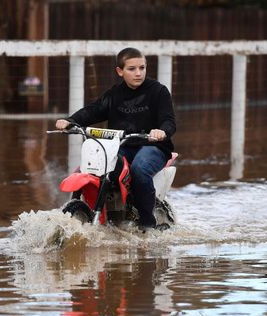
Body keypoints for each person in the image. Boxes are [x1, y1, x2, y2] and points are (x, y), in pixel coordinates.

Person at [55, 47, 176, 230]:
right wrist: (70, 121)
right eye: (132, 69)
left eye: (142, 68)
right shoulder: (114, 95)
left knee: (139, 169)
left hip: (154, 147)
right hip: (122, 145)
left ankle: (147, 226)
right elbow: (93, 110)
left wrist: (161, 131)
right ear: (120, 71)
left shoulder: (158, 91)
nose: (138, 73)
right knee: (92, 167)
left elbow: (169, 120)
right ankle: (96, 212)